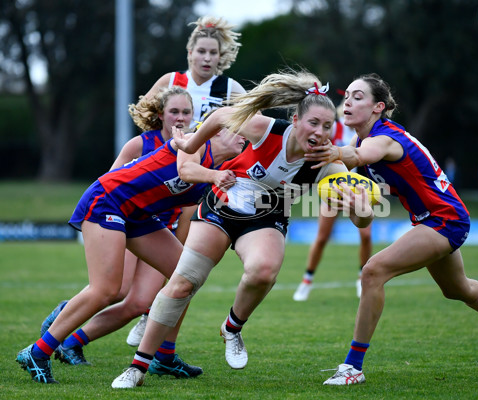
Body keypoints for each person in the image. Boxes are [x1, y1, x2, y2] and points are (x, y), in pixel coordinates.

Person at [111, 69, 375, 389]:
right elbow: (222, 115)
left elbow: (362, 222)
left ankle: (232, 328)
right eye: (313, 123)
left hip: (266, 217)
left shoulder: (327, 162)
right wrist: (192, 142)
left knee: (263, 272)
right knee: (182, 284)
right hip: (222, 205)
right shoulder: (265, 129)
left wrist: (361, 208)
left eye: (327, 126)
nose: (320, 132)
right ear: (295, 121)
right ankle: (137, 367)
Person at [303, 73, 478, 385]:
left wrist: (331, 152)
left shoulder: (383, 138)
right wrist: (355, 206)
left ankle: (352, 367)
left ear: (378, 107)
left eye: (359, 97)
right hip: (435, 220)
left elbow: (358, 156)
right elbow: (364, 218)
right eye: (348, 96)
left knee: (373, 271)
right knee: (457, 289)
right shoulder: (363, 141)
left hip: (444, 219)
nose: (348, 101)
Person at [15, 87, 246, 384]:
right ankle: (38, 352)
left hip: (139, 215)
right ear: (216, 131)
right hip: (107, 202)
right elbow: (187, 168)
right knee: (106, 290)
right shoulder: (194, 145)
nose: (245, 137)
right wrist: (214, 176)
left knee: (185, 275)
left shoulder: (224, 166)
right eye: (239, 130)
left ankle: (164, 355)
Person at [125, 15, 247, 346]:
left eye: (213, 53)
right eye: (202, 51)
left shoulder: (231, 89)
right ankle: (140, 314)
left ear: (221, 57)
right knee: (123, 281)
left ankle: (155, 329)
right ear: (190, 52)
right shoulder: (172, 79)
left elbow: (249, 127)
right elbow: (146, 118)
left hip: (200, 181)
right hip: (165, 176)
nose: (207, 58)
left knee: (185, 264)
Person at [293, 102, 372, 301]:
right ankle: (307, 280)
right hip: (333, 188)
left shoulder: (364, 133)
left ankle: (361, 279)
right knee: (321, 238)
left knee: (366, 236)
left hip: (356, 188)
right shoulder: (333, 128)